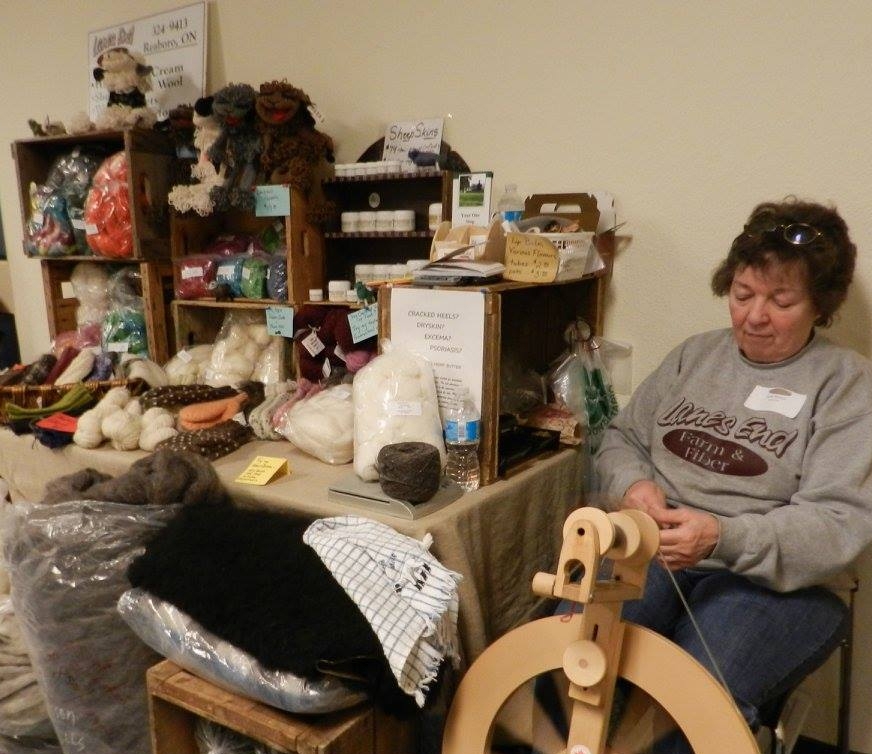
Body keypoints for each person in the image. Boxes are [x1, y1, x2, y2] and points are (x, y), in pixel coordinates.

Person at [594, 197, 872, 747]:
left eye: (781, 300)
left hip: (773, 584)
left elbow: (838, 524)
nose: (754, 316)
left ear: (820, 304)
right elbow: (620, 439)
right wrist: (633, 486)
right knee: (571, 663)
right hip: (656, 554)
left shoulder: (845, 383)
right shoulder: (694, 357)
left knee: (684, 706)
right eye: (743, 294)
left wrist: (722, 536)